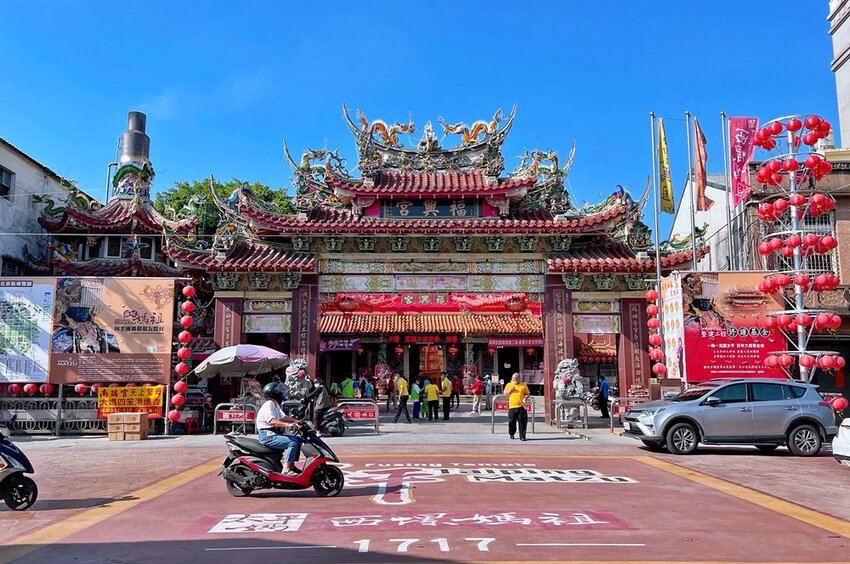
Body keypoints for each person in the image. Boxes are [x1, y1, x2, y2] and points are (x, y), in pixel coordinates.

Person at [256, 382, 302, 476]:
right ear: (274, 394)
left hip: (273, 434)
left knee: (297, 439)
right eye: (280, 392)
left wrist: (297, 421)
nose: (282, 394)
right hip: (267, 436)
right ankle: (286, 469)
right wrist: (288, 425)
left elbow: (283, 417)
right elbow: (272, 421)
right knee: (292, 442)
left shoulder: (275, 404)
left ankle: (291, 466)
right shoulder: (269, 404)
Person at [504, 372, 530, 441]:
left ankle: (522, 436)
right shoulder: (509, 384)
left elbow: (527, 393)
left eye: (516, 378)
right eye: (513, 378)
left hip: (521, 406)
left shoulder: (523, 385)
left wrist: (526, 397)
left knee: (522, 422)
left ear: (519, 379)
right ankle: (511, 433)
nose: (514, 379)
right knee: (511, 421)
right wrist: (510, 389)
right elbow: (505, 394)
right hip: (512, 407)